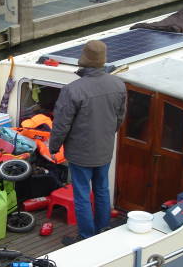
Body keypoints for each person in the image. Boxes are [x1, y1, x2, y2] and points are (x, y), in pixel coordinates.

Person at [48, 40, 126, 245]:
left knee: (81, 194)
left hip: (81, 153)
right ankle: (103, 227)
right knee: (102, 189)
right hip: (104, 149)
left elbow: (61, 124)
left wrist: (54, 147)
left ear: (84, 61)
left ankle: (86, 236)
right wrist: (108, 135)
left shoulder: (73, 90)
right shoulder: (118, 84)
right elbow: (119, 118)